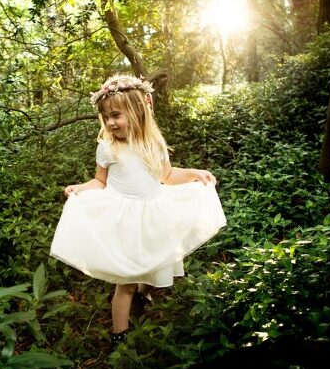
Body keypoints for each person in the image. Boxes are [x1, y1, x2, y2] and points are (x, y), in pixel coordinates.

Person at [50, 74, 226, 343]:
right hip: (126, 217)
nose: (110, 122)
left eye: (116, 115)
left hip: (153, 211)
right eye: (106, 117)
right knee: (126, 281)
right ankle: (119, 334)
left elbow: (166, 176)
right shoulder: (108, 147)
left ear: (136, 111)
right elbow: (100, 180)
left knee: (152, 253)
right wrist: (80, 188)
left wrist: (193, 173)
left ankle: (146, 290)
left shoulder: (153, 144)